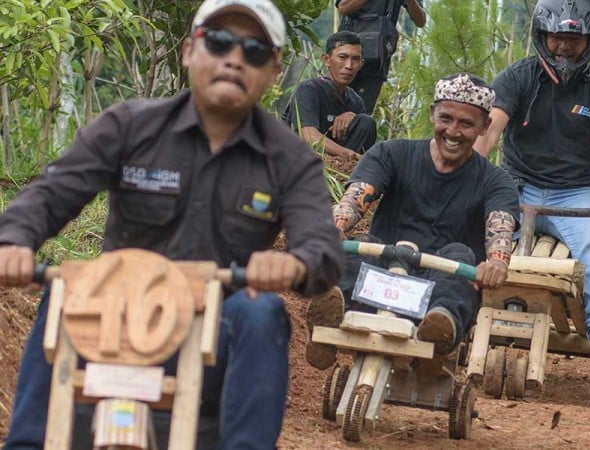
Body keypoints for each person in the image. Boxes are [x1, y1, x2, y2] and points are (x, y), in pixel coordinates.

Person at [0, 0, 345, 448]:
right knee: (68, 290)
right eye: (219, 42)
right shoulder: (128, 126)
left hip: (217, 335)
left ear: (275, 69)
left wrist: (294, 264)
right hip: (116, 317)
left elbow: (322, 246)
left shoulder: (290, 159)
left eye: (255, 50)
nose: (235, 58)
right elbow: (49, 194)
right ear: (188, 51)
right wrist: (13, 242)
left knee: (261, 312)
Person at [474, 0, 590, 393]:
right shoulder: (518, 76)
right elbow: (488, 133)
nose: (564, 48)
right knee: (476, 233)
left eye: (574, 40)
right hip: (514, 185)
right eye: (557, 39)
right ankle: (451, 312)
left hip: (576, 195)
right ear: (542, 37)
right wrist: (471, 176)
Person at [304, 73, 520, 370]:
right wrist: (336, 226)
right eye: (446, 118)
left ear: (485, 127)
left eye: (466, 124)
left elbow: (500, 226)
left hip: (439, 284)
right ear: (432, 114)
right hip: (380, 274)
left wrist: (496, 262)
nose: (453, 131)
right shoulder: (391, 154)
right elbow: (356, 196)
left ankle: (439, 327)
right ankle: (328, 315)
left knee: (461, 254)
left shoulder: (497, 181)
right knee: (361, 245)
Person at [283, 31, 377, 159]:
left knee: (366, 122)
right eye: (342, 57)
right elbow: (310, 136)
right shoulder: (309, 89)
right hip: (297, 162)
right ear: (326, 59)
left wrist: (353, 116)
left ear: (361, 64)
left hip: (339, 170)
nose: (349, 66)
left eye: (355, 59)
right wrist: (351, 155)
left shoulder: (355, 101)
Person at [336, 0, 426, 114]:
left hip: (375, 63)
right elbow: (343, 7)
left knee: (360, 116)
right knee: (333, 110)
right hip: (345, 56)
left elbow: (421, 21)